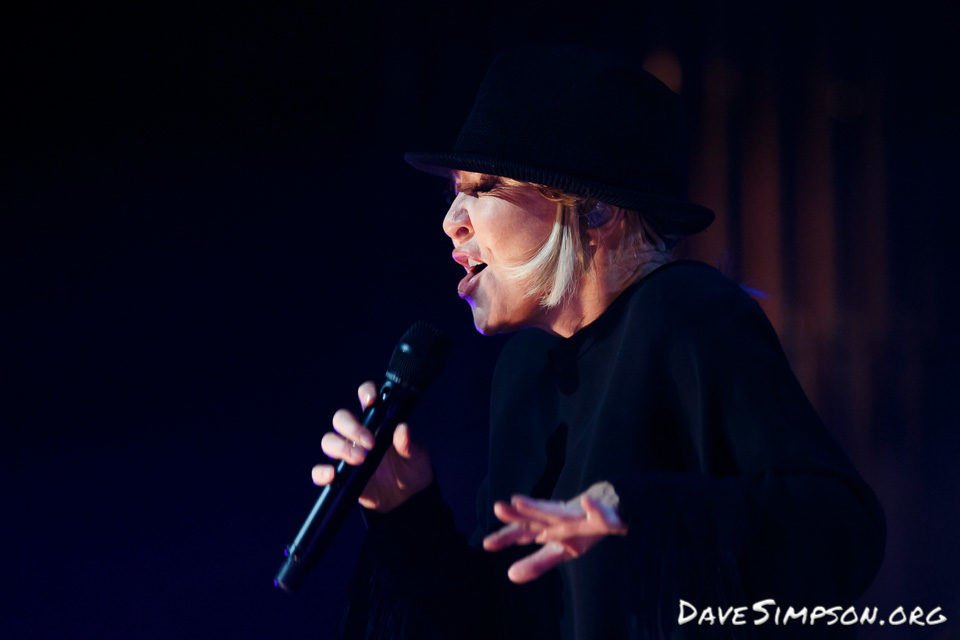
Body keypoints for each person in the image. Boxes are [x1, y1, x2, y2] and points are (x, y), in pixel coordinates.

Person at [311, 46, 885, 639]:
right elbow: (502, 620)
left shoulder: (687, 314)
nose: (452, 218)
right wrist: (407, 511)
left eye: (483, 187)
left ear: (595, 212)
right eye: (457, 191)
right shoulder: (525, 368)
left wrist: (642, 515)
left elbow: (841, 527)